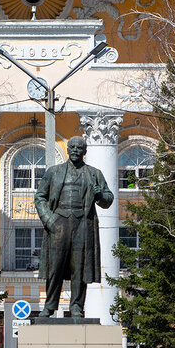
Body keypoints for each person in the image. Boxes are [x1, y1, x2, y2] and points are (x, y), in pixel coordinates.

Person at [33, 135, 115, 321]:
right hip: (59, 222)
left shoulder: (94, 173)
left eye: (80, 147)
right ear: (68, 149)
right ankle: (50, 306)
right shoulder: (54, 172)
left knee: (79, 267)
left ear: (85, 151)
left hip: (82, 224)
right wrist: (49, 219)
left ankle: (77, 307)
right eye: (73, 147)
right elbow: (40, 197)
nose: (76, 150)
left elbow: (108, 199)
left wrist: (100, 194)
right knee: (55, 266)